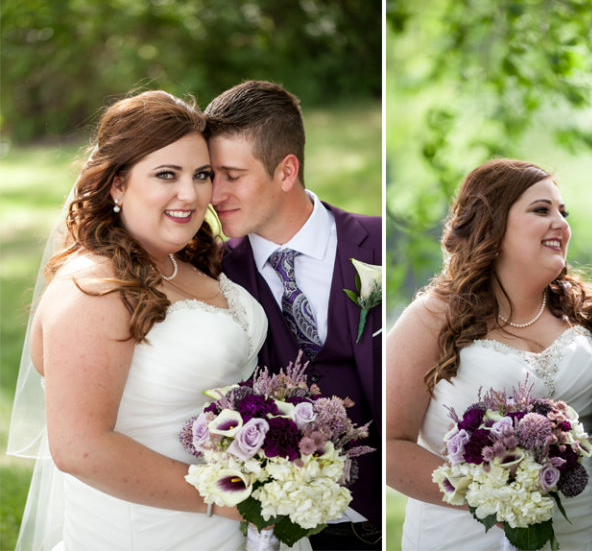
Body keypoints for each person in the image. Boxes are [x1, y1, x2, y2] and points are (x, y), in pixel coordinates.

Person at [6, 91, 270, 551]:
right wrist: (230, 498)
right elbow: (82, 450)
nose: (190, 194)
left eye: (201, 174)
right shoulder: (93, 289)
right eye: (166, 175)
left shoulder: (186, 264)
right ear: (118, 185)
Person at [386, 159, 592, 551]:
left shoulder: (587, 314)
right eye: (541, 210)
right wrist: (493, 491)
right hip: (466, 537)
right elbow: (388, 445)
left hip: (583, 533)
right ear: (493, 224)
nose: (560, 222)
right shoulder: (433, 317)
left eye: (563, 212)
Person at [203, 80, 384, 550]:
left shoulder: (381, 247)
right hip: (284, 527)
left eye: (232, 175)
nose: (215, 195)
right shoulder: (211, 274)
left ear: (286, 171)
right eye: (209, 175)